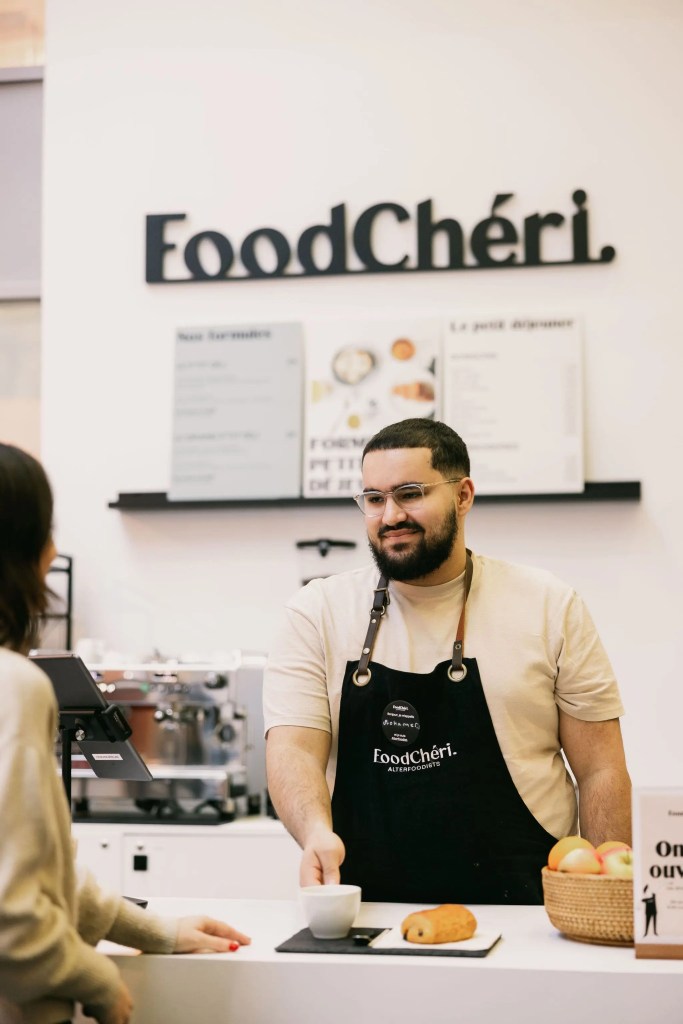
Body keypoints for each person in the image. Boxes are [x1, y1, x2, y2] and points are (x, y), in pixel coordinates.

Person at [264, 418, 632, 905]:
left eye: (410, 493)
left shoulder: (548, 605)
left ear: (463, 495)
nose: (389, 514)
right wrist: (315, 833)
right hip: (365, 909)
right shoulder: (317, 611)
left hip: (527, 907)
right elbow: (293, 750)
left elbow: (601, 768)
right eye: (374, 499)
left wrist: (608, 892)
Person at [0, 443, 251, 1024]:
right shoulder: (15, 687)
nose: (55, 548)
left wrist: (154, 931)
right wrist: (95, 979)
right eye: (47, 528)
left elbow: (43, 872)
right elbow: (13, 914)